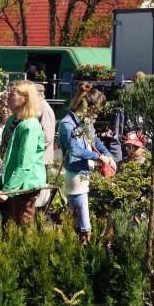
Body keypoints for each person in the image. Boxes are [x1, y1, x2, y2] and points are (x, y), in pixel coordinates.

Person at [58, 82, 116, 243]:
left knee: (111, 201)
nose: (96, 116)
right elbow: (74, 150)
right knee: (82, 225)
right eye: (95, 111)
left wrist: (108, 155)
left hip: (89, 173)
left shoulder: (86, 122)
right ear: (86, 107)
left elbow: (95, 141)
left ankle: (104, 240)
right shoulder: (66, 124)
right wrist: (99, 157)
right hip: (75, 175)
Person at [0, 80, 46, 225]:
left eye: (12, 94)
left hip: (26, 183)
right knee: (12, 223)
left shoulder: (30, 126)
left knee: (23, 224)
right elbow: (4, 149)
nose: (8, 97)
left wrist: (7, 191)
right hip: (12, 179)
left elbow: (25, 164)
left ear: (25, 98)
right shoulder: (12, 120)